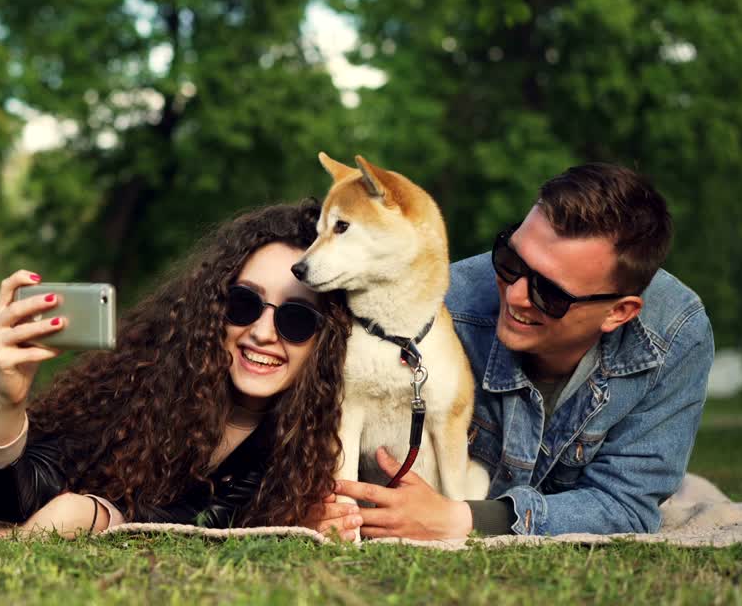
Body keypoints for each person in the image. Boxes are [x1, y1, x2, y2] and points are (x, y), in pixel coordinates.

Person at [306, 163, 714, 539]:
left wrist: (463, 518)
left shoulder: (675, 336)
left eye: (549, 293)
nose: (515, 295)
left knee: (688, 489)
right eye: (509, 260)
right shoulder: (437, 306)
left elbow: (626, 504)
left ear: (618, 312)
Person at [0, 201, 354, 536]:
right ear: (213, 307)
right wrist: (8, 402)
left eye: (297, 319)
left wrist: (94, 516)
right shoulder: (145, 383)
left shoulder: (336, 436)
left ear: (329, 339)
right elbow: (7, 505)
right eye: (244, 303)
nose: (263, 333)